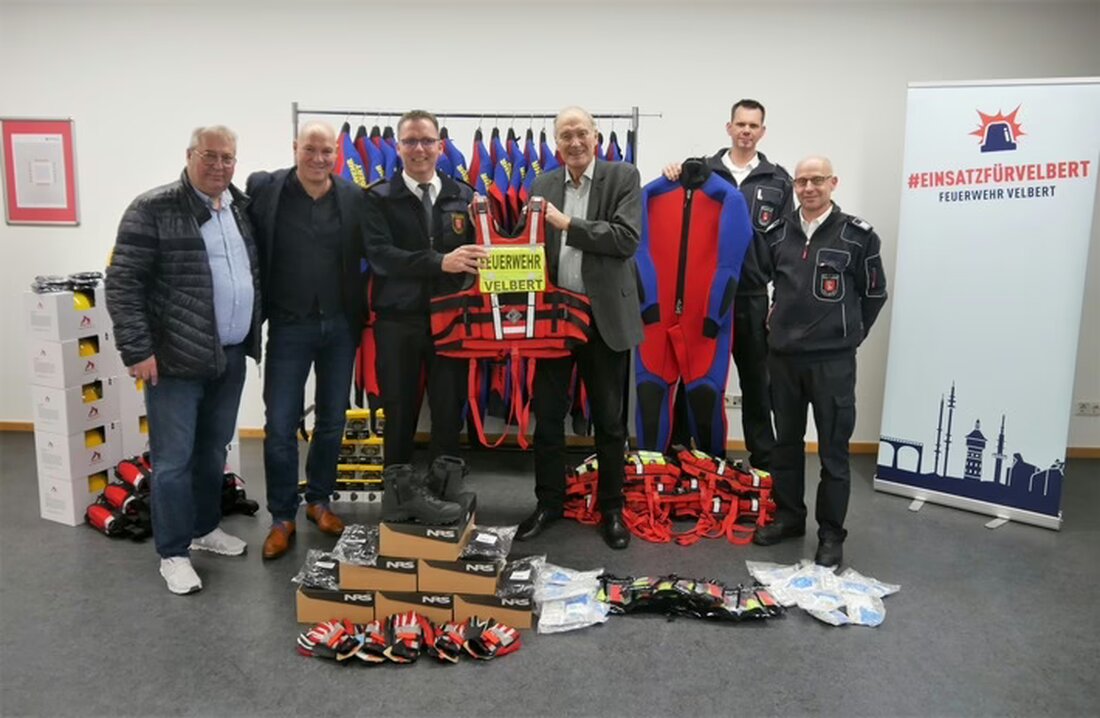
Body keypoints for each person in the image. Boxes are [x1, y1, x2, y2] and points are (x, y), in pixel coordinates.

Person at [106, 125, 261, 595]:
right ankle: (173, 553)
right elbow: (123, 283)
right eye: (209, 156)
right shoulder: (153, 208)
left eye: (228, 158)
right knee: (173, 460)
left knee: (213, 451)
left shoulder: (241, 208)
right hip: (173, 360)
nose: (219, 166)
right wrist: (137, 350)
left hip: (229, 356)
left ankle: (204, 528)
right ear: (190, 155)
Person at [745, 156, 888, 567]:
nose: (809, 187)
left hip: (832, 363)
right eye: (802, 180)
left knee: (833, 453)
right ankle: (790, 517)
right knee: (785, 447)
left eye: (817, 180)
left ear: (833, 183)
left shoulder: (858, 236)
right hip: (784, 360)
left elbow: (874, 293)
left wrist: (851, 336)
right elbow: (763, 282)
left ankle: (830, 533)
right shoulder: (775, 233)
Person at [516, 106, 644, 550]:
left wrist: (567, 223)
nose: (574, 142)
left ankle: (612, 509)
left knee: (609, 421)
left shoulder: (624, 176)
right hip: (555, 317)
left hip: (603, 315)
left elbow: (626, 239)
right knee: (547, 416)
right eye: (565, 135)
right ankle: (548, 503)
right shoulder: (541, 184)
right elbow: (529, 244)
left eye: (581, 134)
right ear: (556, 143)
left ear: (596, 138)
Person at [246, 121, 369, 560]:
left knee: (333, 421)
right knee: (280, 424)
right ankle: (282, 516)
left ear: (337, 154)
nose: (319, 159)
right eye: (311, 150)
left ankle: (319, 501)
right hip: (287, 325)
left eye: (328, 152)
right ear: (295, 147)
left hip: (340, 325)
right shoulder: (265, 188)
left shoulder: (354, 196)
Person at [664, 99, 794, 470]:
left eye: (754, 126)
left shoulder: (779, 180)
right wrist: (672, 171)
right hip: (704, 296)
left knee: (756, 381)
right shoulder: (703, 171)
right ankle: (681, 451)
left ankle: (764, 462)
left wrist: (778, 301)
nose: (746, 131)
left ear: (762, 131)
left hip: (751, 296)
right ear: (729, 128)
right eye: (741, 124)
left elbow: (786, 247)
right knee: (694, 376)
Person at [364, 110, 486, 469]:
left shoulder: (464, 195)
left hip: (452, 320)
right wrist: (439, 262)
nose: (419, 149)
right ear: (397, 147)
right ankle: (397, 491)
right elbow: (381, 256)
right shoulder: (378, 198)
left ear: (440, 145)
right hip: (397, 321)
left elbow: (482, 255)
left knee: (449, 410)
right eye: (410, 141)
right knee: (398, 410)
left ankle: (445, 491)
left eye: (427, 141)